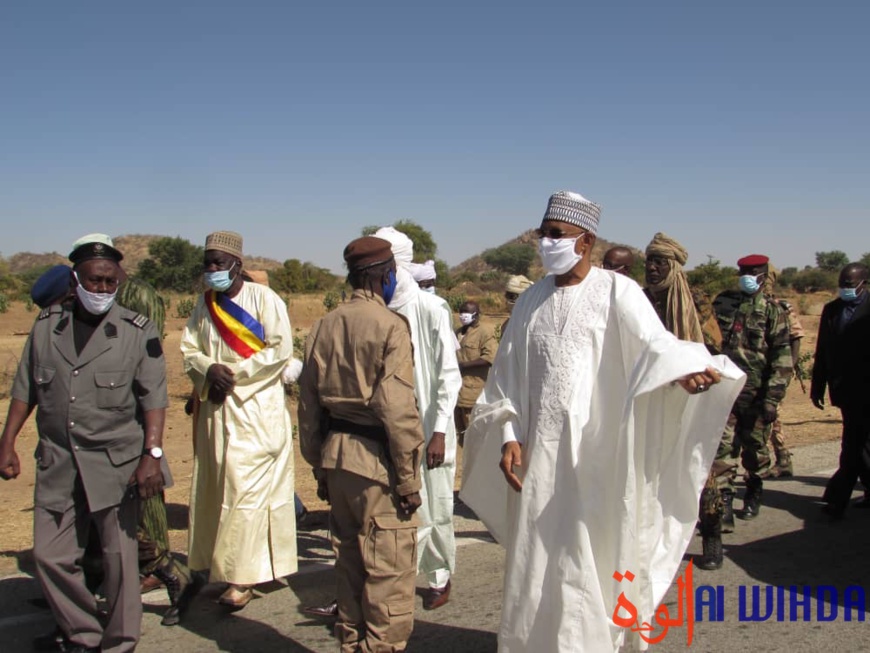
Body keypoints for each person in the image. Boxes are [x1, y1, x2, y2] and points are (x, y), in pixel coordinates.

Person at [460, 191, 744, 652]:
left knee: (587, 553)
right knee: (537, 561)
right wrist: (510, 436)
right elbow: (505, 379)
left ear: (585, 240)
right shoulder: (530, 301)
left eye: (556, 235)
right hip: (538, 461)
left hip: (594, 458)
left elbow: (654, 345)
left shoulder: (618, 291)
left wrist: (683, 371)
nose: (544, 242)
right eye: (543, 233)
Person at [0, 234, 169, 653]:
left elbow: (155, 399)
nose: (103, 290)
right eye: (94, 281)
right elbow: (25, 389)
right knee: (50, 556)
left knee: (119, 562)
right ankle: (82, 633)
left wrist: (152, 454)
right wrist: (7, 443)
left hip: (115, 462)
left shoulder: (136, 331)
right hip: (58, 459)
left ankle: (120, 643)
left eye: (111, 283)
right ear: (75, 279)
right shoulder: (46, 327)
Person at [298, 236, 425, 652]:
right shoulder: (390, 326)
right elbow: (397, 411)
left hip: (338, 463)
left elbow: (308, 408)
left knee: (350, 575)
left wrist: (319, 468)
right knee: (387, 581)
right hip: (378, 468)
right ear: (385, 276)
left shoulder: (322, 326)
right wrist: (408, 480)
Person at [181, 231, 296, 609]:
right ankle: (223, 567)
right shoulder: (204, 305)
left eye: (219, 262)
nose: (213, 269)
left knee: (245, 493)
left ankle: (242, 578)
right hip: (216, 412)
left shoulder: (265, 299)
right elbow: (189, 349)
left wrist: (234, 373)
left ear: (237, 265)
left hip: (255, 412)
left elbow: (281, 350)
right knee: (219, 491)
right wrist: (207, 369)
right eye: (208, 263)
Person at [642, 232, 728, 570]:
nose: (651, 268)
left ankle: (712, 536)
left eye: (659, 262)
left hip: (698, 391)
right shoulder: (640, 300)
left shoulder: (698, 300)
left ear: (673, 265)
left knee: (700, 469)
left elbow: (714, 347)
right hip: (655, 393)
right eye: (649, 261)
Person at [712, 255, 792, 522]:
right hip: (725, 391)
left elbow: (782, 358)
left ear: (764, 275)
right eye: (743, 271)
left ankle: (754, 487)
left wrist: (772, 399)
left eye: (753, 271)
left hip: (756, 393)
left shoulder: (774, 310)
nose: (747, 275)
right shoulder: (724, 302)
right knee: (722, 449)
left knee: (754, 448)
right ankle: (723, 503)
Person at [812, 263, 870, 518]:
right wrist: (818, 385)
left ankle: (837, 498)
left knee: (853, 443)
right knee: (861, 443)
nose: (845, 289)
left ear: (864, 283)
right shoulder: (832, 310)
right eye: (842, 284)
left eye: (850, 284)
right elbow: (823, 351)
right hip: (846, 389)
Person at [763, 265, 805, 478]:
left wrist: (787, 369)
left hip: (776, 371)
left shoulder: (782, 307)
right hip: (756, 371)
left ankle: (782, 459)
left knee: (773, 415)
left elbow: (796, 336)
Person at [454, 300, 497, 444]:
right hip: (457, 393)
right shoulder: (458, 333)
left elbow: (489, 358)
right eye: (461, 312)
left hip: (473, 392)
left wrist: (464, 366)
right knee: (459, 434)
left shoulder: (485, 332)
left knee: (474, 434)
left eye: (466, 312)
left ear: (476, 314)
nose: (462, 315)